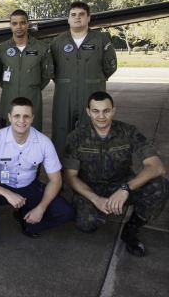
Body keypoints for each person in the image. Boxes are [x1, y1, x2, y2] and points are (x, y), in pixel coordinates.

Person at [64, 91, 168, 257]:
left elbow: (156, 166)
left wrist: (126, 188)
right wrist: (95, 199)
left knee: (160, 185)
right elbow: (70, 176)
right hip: (91, 188)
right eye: (96, 111)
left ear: (113, 110)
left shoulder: (128, 132)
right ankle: (98, 211)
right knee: (86, 224)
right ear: (88, 112)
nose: (101, 116)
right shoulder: (76, 137)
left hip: (123, 184)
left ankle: (132, 228)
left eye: (106, 110)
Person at [0, 97, 74, 249]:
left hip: (28, 186)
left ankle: (28, 222)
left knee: (66, 212)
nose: (21, 121)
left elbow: (56, 180)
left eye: (26, 116)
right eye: (17, 116)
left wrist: (41, 208)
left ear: (32, 118)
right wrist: (8, 194)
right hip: (0, 185)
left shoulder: (43, 142)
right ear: (9, 117)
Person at [50, 1, 117, 155]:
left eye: (81, 14)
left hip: (92, 93)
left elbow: (110, 67)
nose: (77, 18)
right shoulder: (57, 43)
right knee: (61, 131)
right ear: (68, 19)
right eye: (73, 15)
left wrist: (93, 80)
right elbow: (51, 70)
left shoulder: (101, 40)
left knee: (93, 130)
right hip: (64, 95)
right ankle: (60, 169)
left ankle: (90, 171)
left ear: (89, 17)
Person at [0, 9, 52, 131]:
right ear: (10, 25)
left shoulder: (42, 49)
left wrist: (32, 87)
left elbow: (47, 75)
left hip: (32, 97)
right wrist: (9, 86)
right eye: (14, 23)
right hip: (9, 97)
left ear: (28, 24)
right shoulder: (1, 50)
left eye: (22, 23)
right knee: (6, 133)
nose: (18, 27)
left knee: (32, 133)